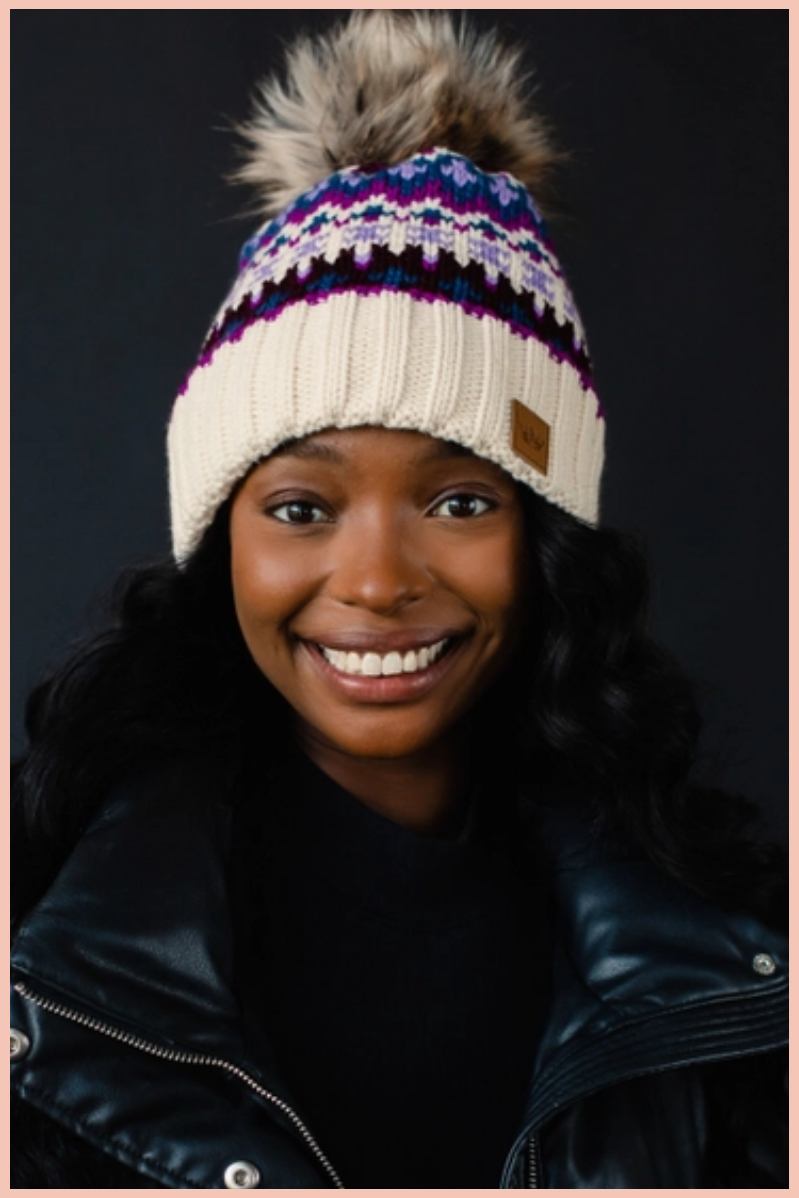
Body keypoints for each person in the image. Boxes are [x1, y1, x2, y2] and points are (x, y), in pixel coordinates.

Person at [11, 11, 787, 1189]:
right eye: (300, 507)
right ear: (218, 541)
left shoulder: (725, 960)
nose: (377, 581)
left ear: (546, 537)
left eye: (460, 500)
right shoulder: (41, 963)